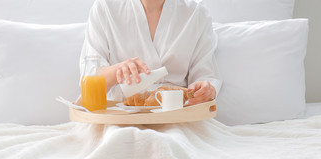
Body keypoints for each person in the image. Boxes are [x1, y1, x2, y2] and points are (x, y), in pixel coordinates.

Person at [80, 0, 222, 105]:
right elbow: (89, 75)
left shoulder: (196, 13)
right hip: (119, 117)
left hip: (177, 117)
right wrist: (118, 70)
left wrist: (206, 90)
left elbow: (206, 76)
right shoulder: (105, 8)